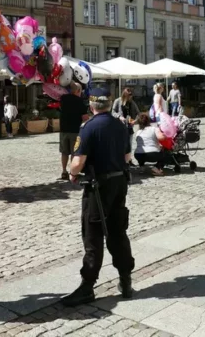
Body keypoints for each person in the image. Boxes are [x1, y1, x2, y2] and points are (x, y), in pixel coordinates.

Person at [62, 87, 134, 307]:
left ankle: (87, 286)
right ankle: (125, 280)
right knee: (118, 231)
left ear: (91, 105)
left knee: (93, 234)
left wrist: (72, 173)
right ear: (109, 104)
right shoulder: (120, 125)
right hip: (119, 183)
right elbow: (127, 156)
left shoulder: (88, 127)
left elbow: (77, 162)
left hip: (98, 187)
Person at [59, 82, 86, 180]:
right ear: (78, 91)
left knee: (64, 152)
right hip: (75, 130)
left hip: (63, 130)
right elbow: (84, 117)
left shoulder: (63, 99)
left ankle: (64, 171)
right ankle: (72, 172)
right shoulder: (80, 101)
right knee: (74, 152)